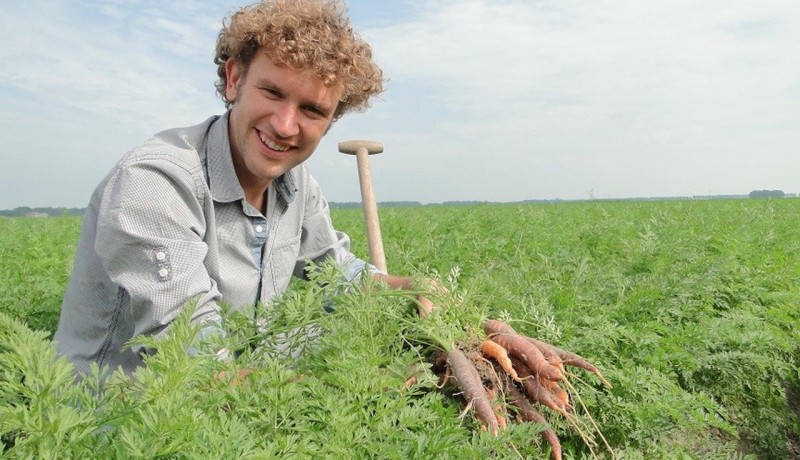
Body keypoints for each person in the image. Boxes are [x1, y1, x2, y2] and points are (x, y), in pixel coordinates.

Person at [55, 0, 436, 377]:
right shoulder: (156, 182)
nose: (285, 126)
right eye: (272, 92)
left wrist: (408, 289)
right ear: (234, 79)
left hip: (237, 388)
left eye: (312, 110)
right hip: (117, 420)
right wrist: (362, 387)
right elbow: (194, 363)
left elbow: (334, 272)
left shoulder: (296, 185)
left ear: (329, 120)